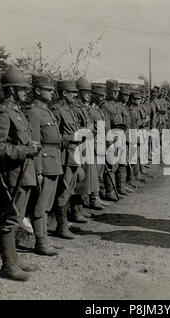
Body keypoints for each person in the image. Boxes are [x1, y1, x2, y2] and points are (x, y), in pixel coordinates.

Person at [0, 65, 40, 281]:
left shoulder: (16, 112)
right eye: (22, 89)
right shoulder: (3, 113)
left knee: (16, 218)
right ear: (11, 90)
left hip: (23, 173)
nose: (26, 93)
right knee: (10, 219)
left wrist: (29, 147)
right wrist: (25, 150)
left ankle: (14, 261)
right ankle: (9, 266)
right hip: (13, 175)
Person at [24, 73, 63, 256]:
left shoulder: (46, 111)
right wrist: (38, 170)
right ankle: (40, 242)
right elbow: (35, 143)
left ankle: (45, 238)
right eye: (48, 89)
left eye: (52, 89)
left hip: (54, 159)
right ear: (38, 91)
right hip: (45, 161)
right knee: (40, 205)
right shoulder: (33, 112)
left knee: (47, 203)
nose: (52, 92)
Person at [51, 80, 84, 239]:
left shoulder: (69, 110)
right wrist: (74, 137)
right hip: (64, 156)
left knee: (69, 189)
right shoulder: (57, 111)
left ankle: (64, 223)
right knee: (63, 190)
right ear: (64, 93)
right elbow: (53, 137)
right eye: (72, 92)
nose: (75, 95)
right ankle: (61, 226)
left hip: (73, 155)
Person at [71, 76, 101, 216]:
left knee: (86, 178)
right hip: (79, 146)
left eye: (89, 92)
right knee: (78, 179)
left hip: (86, 145)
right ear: (79, 92)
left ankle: (80, 207)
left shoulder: (84, 108)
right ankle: (76, 210)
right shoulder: (75, 108)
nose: (89, 95)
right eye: (86, 92)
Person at [101, 79, 126, 201]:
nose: (116, 93)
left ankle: (119, 187)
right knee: (111, 164)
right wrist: (109, 143)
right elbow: (106, 126)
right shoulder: (105, 106)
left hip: (119, 136)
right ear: (107, 91)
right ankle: (109, 191)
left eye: (117, 91)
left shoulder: (116, 105)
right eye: (113, 91)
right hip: (111, 137)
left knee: (119, 163)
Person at [88, 83, 110, 207]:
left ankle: (97, 197)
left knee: (99, 173)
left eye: (103, 96)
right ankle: (92, 199)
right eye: (99, 95)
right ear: (93, 95)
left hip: (101, 145)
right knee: (94, 173)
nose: (102, 98)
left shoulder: (98, 109)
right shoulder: (90, 110)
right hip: (95, 146)